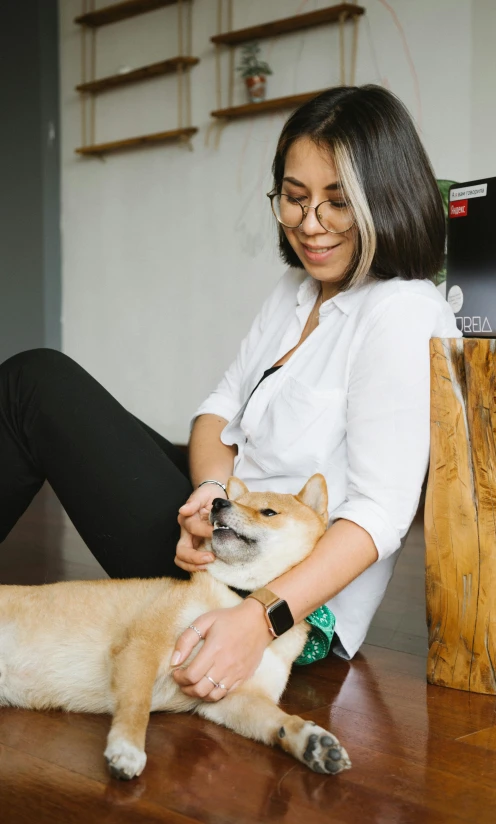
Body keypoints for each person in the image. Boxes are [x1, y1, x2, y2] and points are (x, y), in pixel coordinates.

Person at [0, 85, 460, 704]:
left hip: (275, 594)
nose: (310, 224)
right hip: (225, 529)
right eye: (294, 200)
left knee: (36, 382)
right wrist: (210, 493)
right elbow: (218, 414)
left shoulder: (401, 311)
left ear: (386, 200)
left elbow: (381, 513)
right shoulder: (296, 292)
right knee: (43, 386)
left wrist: (258, 620)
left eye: (337, 204)